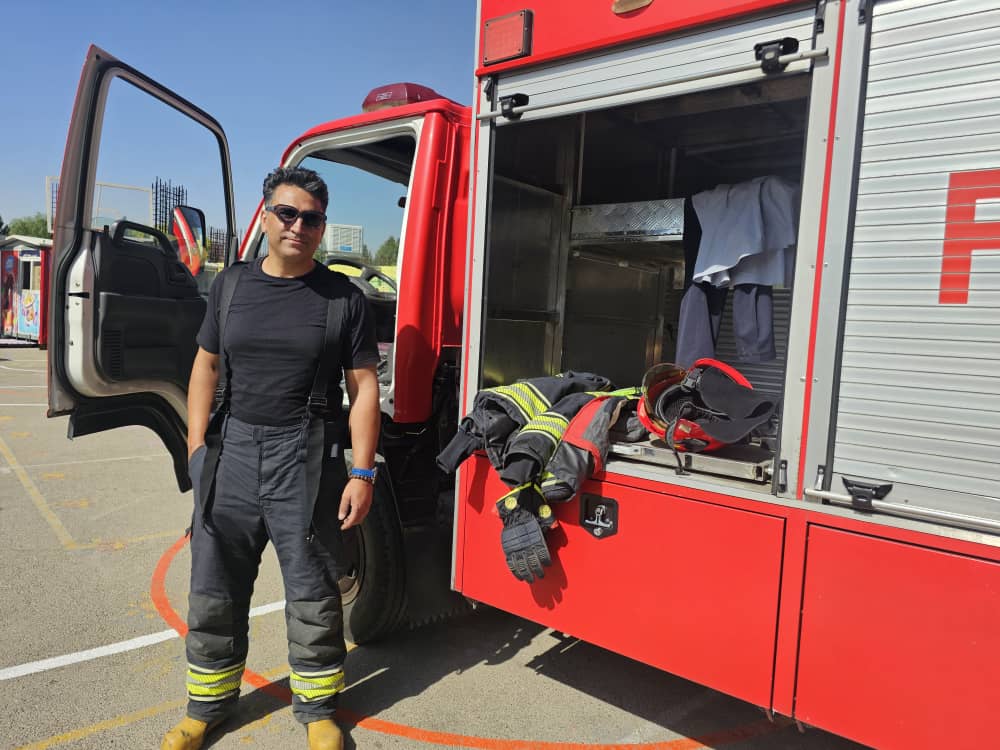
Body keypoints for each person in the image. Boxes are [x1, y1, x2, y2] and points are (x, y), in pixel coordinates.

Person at [161, 166, 381, 750]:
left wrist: (362, 471)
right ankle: (207, 707)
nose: (298, 227)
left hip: (306, 458)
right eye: (287, 213)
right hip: (230, 452)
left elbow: (363, 389)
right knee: (213, 587)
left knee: (313, 591)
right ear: (266, 216)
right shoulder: (230, 286)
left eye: (312, 219)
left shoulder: (345, 300)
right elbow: (205, 365)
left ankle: (319, 711)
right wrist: (196, 447)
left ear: (322, 227)